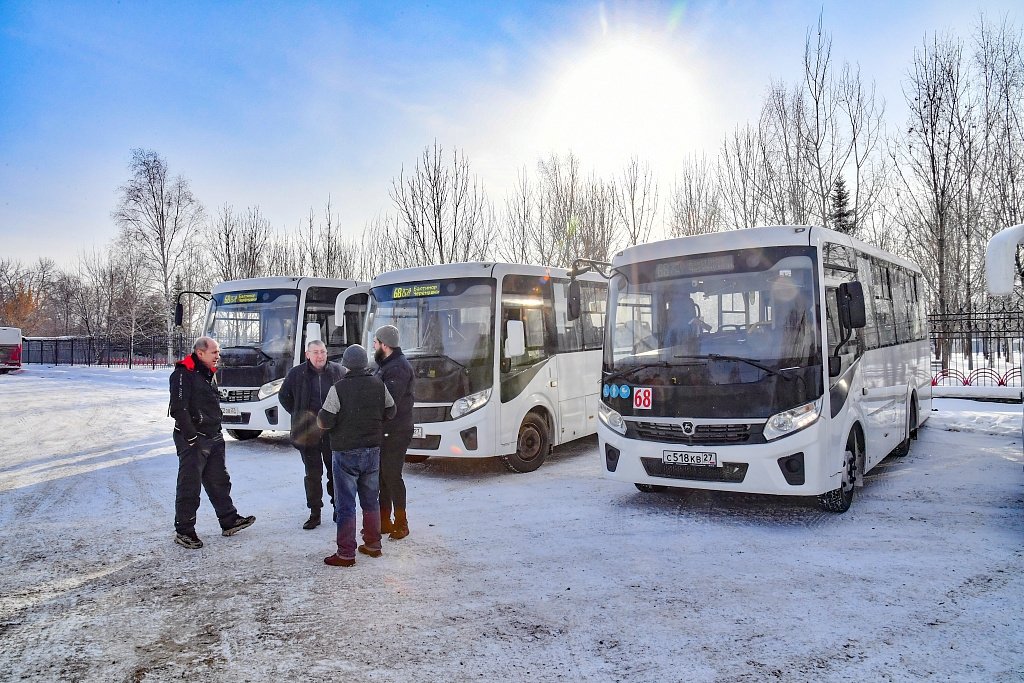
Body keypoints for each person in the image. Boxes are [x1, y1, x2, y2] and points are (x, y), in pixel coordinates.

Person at [168, 336, 256, 549]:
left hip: (213, 435)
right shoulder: (183, 374)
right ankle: (184, 531)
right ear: (200, 353)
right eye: (214, 352)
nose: (219, 355)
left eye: (218, 352)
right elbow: (179, 409)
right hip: (194, 439)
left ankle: (229, 520)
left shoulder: (206, 373)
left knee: (219, 480)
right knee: (190, 485)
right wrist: (191, 437)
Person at [317, 344, 396, 567]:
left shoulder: (338, 388)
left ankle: (345, 553)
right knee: (371, 500)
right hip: (372, 450)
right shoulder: (378, 384)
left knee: (346, 505)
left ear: (346, 365)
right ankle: (373, 544)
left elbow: (325, 421)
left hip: (345, 453)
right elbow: (391, 410)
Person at [278, 339, 346, 529]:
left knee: (335, 473)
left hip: (332, 433)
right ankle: (314, 512)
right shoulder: (296, 374)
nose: (320, 356)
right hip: (307, 433)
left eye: (323, 352)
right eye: (315, 352)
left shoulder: (339, 372)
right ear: (307, 354)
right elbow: (284, 396)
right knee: (313, 474)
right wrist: (298, 413)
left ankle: (338, 508)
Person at [372, 324, 416, 540]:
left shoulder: (397, 368)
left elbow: (389, 403)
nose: (373, 345)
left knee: (392, 477)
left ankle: (401, 523)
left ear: (385, 345)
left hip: (396, 432)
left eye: (376, 341)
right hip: (386, 431)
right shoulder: (386, 364)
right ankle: (384, 522)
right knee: (382, 478)